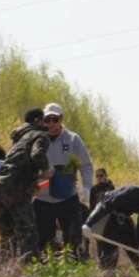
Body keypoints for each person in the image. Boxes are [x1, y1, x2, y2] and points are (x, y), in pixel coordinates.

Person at [0, 108, 53, 263]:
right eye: (45, 120)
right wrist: (46, 169)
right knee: (27, 231)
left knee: (7, 234)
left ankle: (5, 272)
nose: (47, 124)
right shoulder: (40, 135)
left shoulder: (18, 140)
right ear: (38, 121)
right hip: (15, 188)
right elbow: (37, 155)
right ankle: (30, 271)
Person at [33, 103, 93, 259]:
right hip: (42, 198)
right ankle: (46, 275)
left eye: (55, 119)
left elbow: (86, 165)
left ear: (61, 119)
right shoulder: (37, 140)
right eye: (47, 119)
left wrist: (87, 187)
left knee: (74, 240)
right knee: (42, 242)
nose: (51, 123)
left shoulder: (73, 139)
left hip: (68, 197)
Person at [83, 180, 139, 274]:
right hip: (109, 216)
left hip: (124, 218)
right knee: (111, 253)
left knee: (136, 252)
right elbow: (106, 205)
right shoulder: (131, 192)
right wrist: (89, 224)